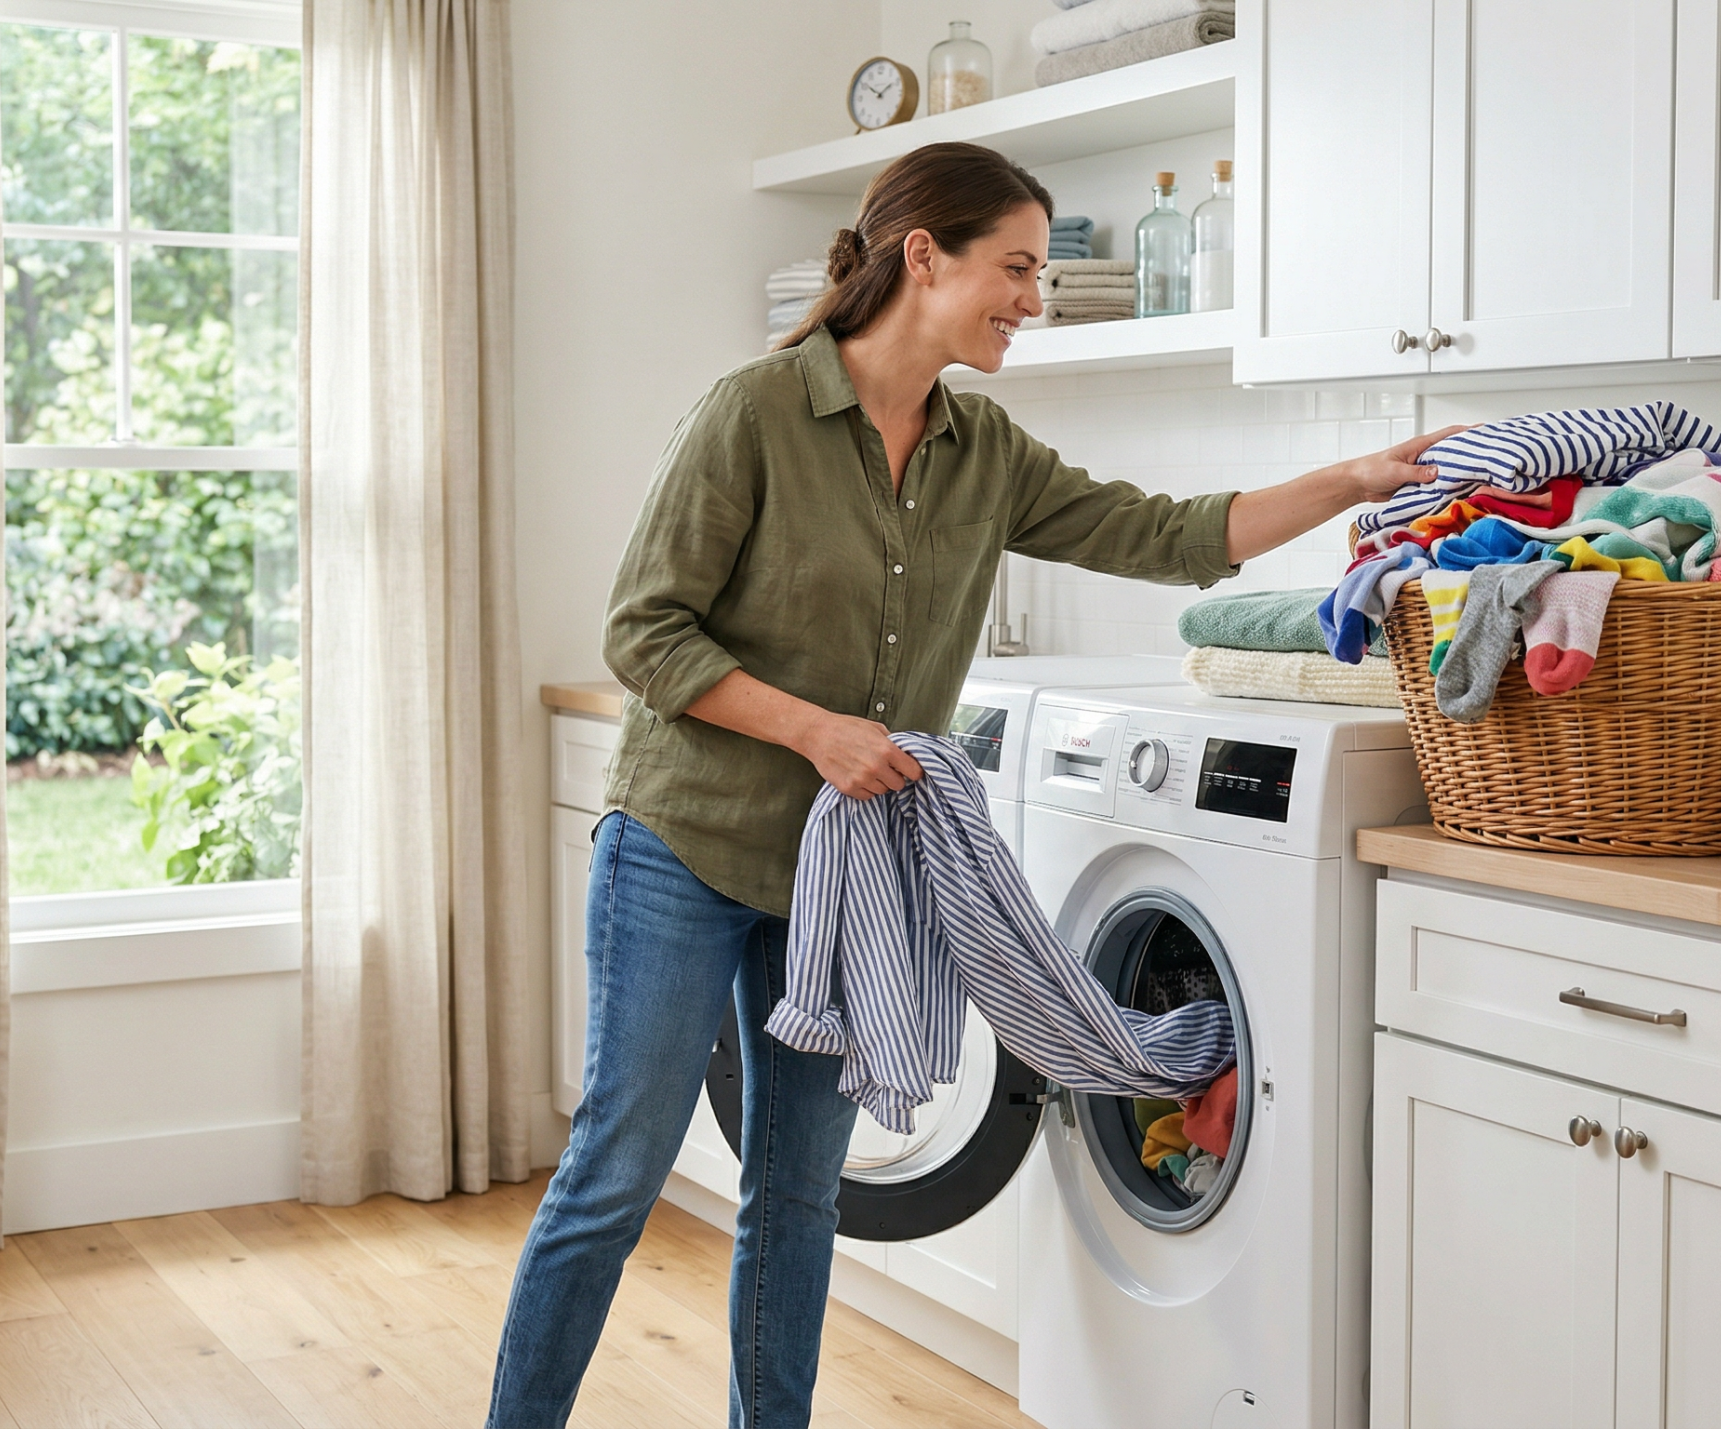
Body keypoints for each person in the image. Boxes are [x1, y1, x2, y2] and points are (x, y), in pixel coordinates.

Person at [487, 140, 1462, 1428]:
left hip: (842, 882)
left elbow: (1168, 533)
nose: (1034, 300)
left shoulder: (981, 446)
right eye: (1015, 268)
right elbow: (646, 633)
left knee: (798, 1194)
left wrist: (1354, 480)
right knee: (616, 1176)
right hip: (690, 844)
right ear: (922, 257)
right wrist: (820, 732)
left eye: (1041, 275)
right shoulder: (757, 411)